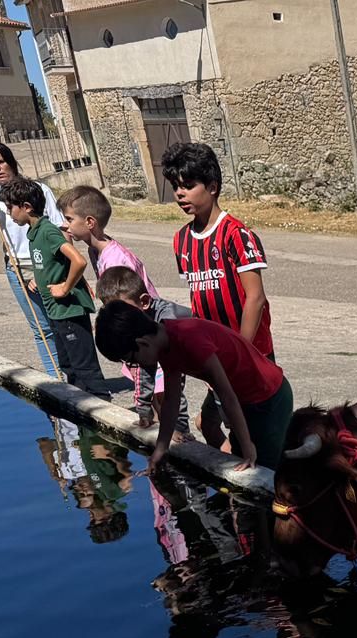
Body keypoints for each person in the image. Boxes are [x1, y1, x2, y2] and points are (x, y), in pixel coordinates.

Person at [161, 142, 277, 454]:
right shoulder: (181, 240)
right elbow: (199, 298)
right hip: (214, 357)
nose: (180, 194)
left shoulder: (236, 234)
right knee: (210, 424)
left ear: (212, 187)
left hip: (250, 354)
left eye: (188, 185)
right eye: (175, 187)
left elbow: (255, 298)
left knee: (256, 436)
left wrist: (241, 351)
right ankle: (226, 475)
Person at [94, 301, 296, 471]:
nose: (135, 366)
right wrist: (161, 449)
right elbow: (171, 400)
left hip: (268, 395)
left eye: (131, 360)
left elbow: (226, 396)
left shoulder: (190, 341)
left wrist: (247, 444)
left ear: (143, 343)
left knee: (265, 467)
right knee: (242, 458)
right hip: (243, 398)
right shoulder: (165, 344)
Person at [0, 178, 116, 397]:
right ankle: (79, 411)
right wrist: (39, 278)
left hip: (69, 311)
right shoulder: (33, 234)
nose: (8, 213)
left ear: (27, 207)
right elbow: (49, 263)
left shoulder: (48, 231)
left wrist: (64, 287)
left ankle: (102, 406)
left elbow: (78, 261)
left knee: (85, 369)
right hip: (55, 312)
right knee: (68, 366)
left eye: (10, 207)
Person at [0, 141, 63, 372]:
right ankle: (56, 379)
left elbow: (60, 230)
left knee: (60, 322)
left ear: (11, 161)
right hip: (15, 266)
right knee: (41, 329)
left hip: (45, 264)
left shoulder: (38, 190)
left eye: (0, 162)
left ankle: (74, 374)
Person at [97, 265, 193, 430]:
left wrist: (179, 428)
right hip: (208, 367)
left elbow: (175, 384)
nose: (120, 318)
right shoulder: (138, 328)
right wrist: (143, 412)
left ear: (145, 301)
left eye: (123, 310)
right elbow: (144, 368)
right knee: (208, 423)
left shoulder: (167, 323)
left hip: (222, 359)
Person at [58, 184, 158, 290]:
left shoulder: (114, 262)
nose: (64, 225)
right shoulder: (94, 250)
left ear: (90, 222)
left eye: (69, 219)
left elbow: (127, 303)